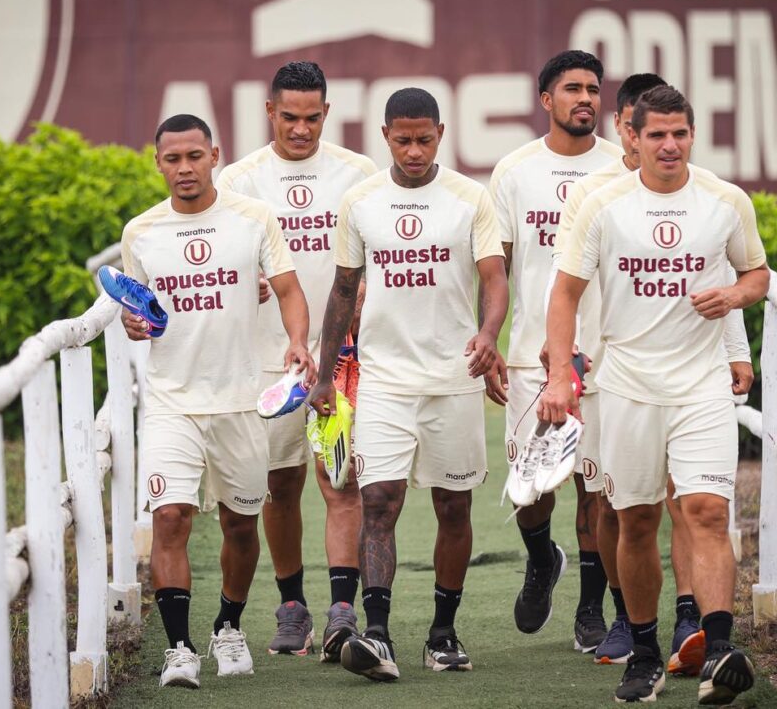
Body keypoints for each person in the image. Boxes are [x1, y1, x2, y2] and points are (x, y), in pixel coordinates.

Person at [542, 85, 770, 704]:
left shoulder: (726, 201)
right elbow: (564, 293)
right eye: (657, 134)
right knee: (635, 520)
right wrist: (560, 375)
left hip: (700, 388)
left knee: (707, 512)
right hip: (626, 388)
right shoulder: (602, 205)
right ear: (633, 137)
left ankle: (720, 651)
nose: (670, 145)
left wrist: (734, 300)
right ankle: (643, 651)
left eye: (681, 133)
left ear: (693, 136)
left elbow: (756, 273)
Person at [309, 87, 508, 681]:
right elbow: (344, 290)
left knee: (453, 505)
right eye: (403, 139)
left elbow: (495, 279)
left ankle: (443, 634)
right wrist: (325, 376)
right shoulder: (362, 201)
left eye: (425, 139)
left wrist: (490, 332)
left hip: (453, 379)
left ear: (441, 134)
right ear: (385, 136)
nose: (415, 150)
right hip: (386, 381)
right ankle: (376, 634)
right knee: (377, 503)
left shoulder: (471, 199)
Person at [119, 114, 315, 687]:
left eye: (195, 156)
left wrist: (298, 342)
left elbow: (288, 288)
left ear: (215, 156)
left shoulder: (253, 220)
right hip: (171, 401)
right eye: (173, 158)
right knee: (171, 518)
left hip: (240, 400)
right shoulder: (141, 233)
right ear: (158, 163)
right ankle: (179, 648)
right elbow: (143, 309)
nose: (184, 168)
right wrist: (135, 324)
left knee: (240, 525)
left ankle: (227, 626)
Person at [214, 61, 377, 661]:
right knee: (280, 486)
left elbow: (381, 252)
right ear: (269, 112)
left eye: (313, 118)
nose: (302, 129)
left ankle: (341, 611)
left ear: (327, 114)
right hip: (268, 360)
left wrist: (367, 289)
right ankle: (292, 607)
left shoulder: (358, 174)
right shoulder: (236, 180)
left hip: (340, 358)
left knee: (342, 481)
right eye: (290, 118)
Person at [487, 50, 623, 654]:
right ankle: (542, 561)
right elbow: (500, 269)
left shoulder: (625, 166)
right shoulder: (514, 171)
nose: (586, 99)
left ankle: (590, 612)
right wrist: (489, 341)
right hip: (528, 360)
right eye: (572, 89)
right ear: (546, 100)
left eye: (594, 89)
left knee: (596, 487)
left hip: (607, 356)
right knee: (534, 487)